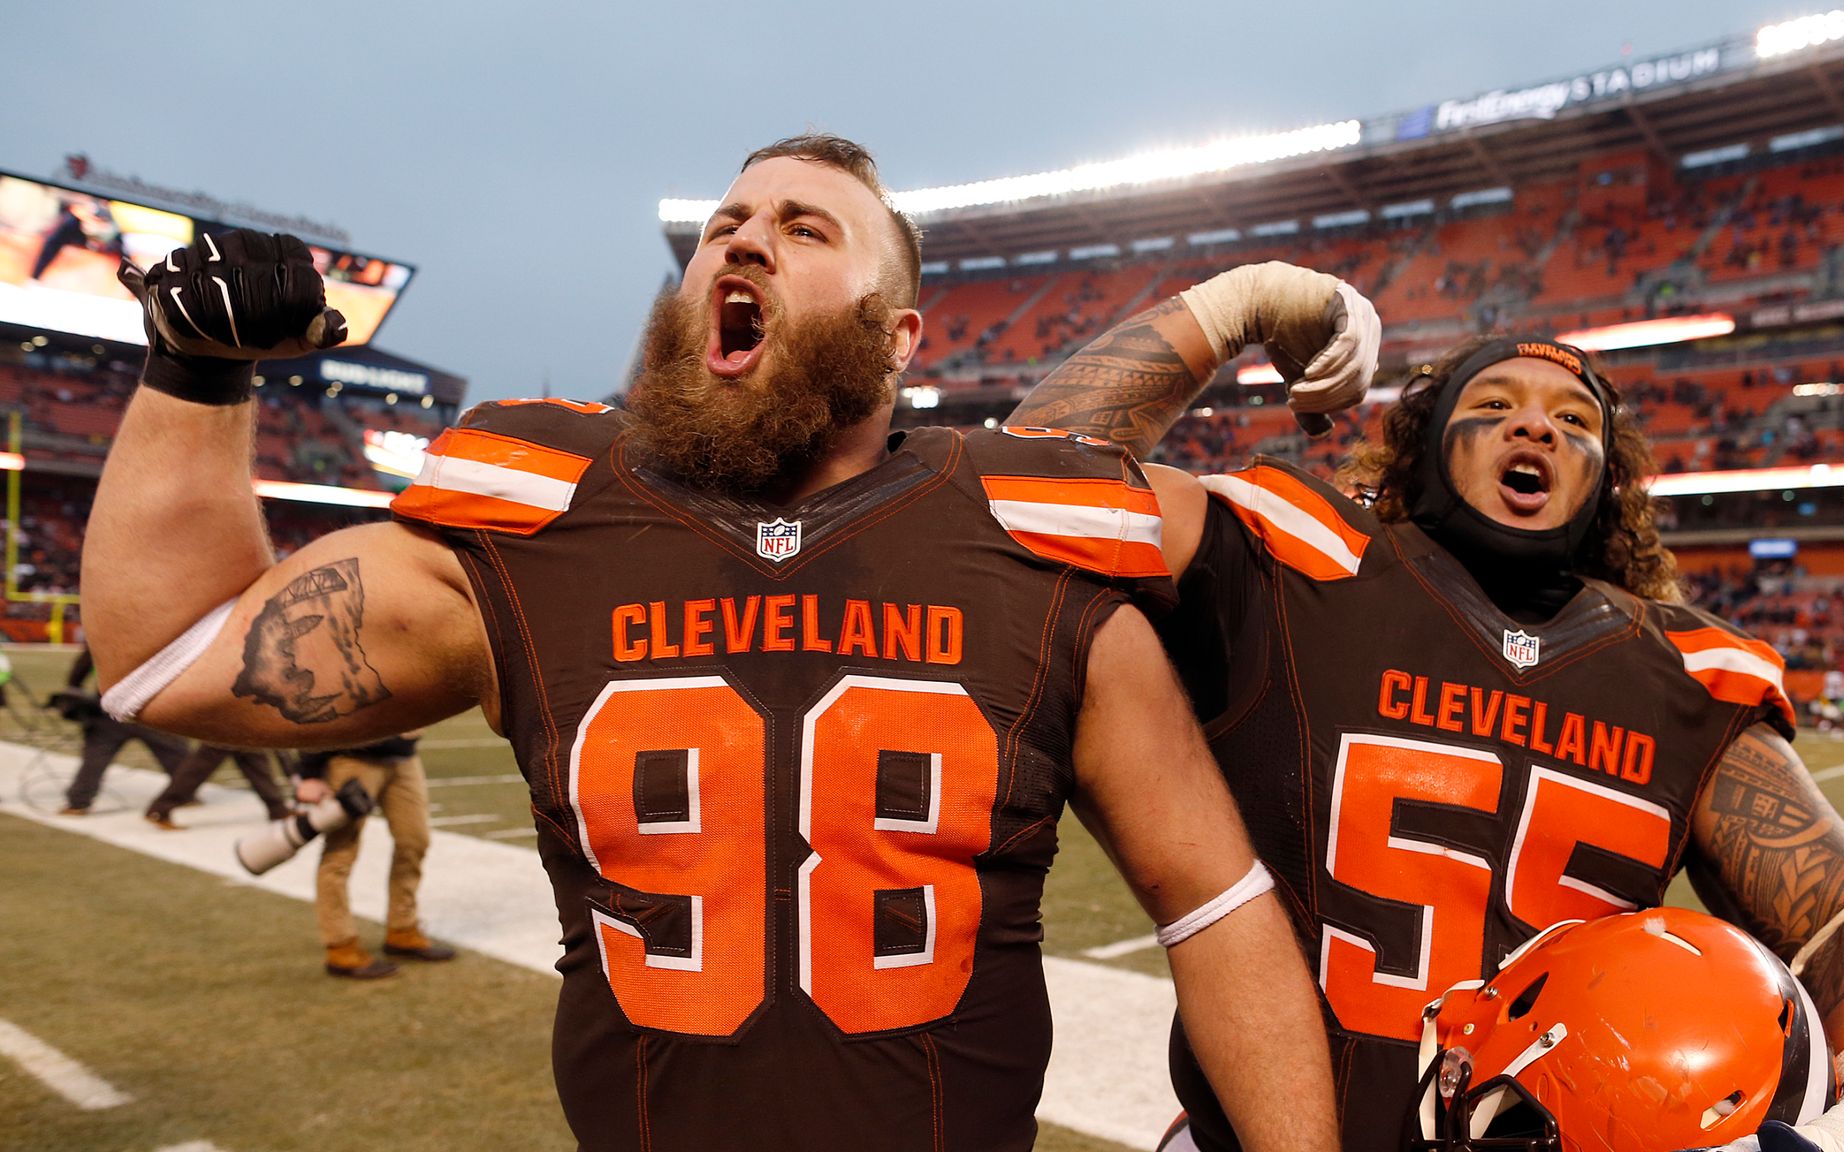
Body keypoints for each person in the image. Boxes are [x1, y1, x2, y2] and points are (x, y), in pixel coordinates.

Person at [79, 136, 1339, 1152]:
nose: (740, 237)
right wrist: (193, 373)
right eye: (726, 225)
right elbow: (168, 656)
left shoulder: (1024, 530)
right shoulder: (537, 518)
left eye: (804, 227)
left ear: (896, 338)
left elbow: (1213, 905)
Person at [1010, 301, 1844, 1152]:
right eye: (1492, 406)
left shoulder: (1684, 672)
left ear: (1604, 478)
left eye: (1573, 419)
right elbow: (1017, 491)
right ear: (1425, 444)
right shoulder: (1295, 558)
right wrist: (1226, 311)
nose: (1536, 426)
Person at [291, 734, 453, 979]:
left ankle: (402, 929)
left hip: (403, 758)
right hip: (351, 757)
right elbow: (319, 704)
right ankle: (340, 946)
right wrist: (309, 773)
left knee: (415, 841)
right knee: (340, 854)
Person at [56, 644, 190, 814]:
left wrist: (73, 687)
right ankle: (185, 793)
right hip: (148, 705)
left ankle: (78, 802)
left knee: (95, 757)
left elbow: (84, 663)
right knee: (174, 752)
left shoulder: (110, 631)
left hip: (113, 704)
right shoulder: (160, 632)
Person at [142, 742, 292, 829]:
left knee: (249, 751)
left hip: (231, 704)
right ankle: (161, 808)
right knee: (207, 758)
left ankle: (277, 808)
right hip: (228, 705)